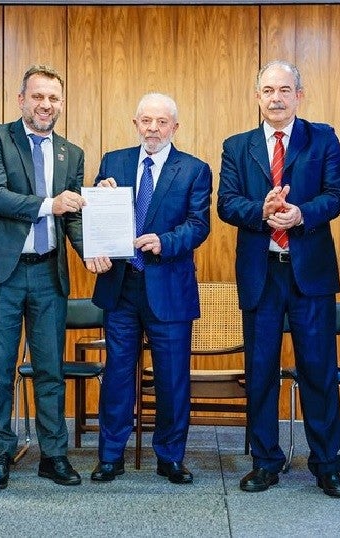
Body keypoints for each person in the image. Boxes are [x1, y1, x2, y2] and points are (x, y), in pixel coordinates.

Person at [217, 61, 340, 497]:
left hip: (309, 272)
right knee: (260, 372)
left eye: (285, 90)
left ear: (299, 95)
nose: (276, 98)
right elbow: (227, 205)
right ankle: (266, 461)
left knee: (318, 370)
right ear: (257, 96)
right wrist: (262, 208)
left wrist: (300, 214)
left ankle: (328, 465)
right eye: (268, 90)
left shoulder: (323, 138)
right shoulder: (237, 146)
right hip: (262, 273)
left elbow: (335, 195)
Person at [85, 93, 211, 484]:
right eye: (146, 121)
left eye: (161, 122)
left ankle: (170, 456)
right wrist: (100, 193)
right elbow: (95, 213)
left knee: (172, 378)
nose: (153, 128)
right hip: (120, 287)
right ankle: (110, 456)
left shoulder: (194, 169)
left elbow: (198, 224)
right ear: (135, 123)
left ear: (175, 127)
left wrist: (165, 242)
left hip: (168, 286)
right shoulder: (114, 162)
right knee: (118, 374)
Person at [0, 65, 85, 489]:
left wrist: (90, 250)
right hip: (3, 274)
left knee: (50, 369)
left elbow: (70, 215)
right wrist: (49, 205)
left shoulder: (71, 153)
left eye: (53, 98)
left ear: (61, 104)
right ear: (22, 100)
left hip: (48, 273)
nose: (46, 105)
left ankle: (53, 455)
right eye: (38, 97)